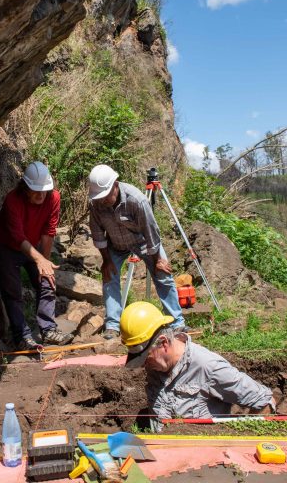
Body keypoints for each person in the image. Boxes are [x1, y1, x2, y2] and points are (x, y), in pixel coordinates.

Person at [121, 301, 276, 432]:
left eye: (146, 357)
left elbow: (264, 400)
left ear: (164, 343)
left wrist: (244, 440)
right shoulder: (157, 365)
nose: (143, 365)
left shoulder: (208, 367)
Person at [87, 164, 185, 339]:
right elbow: (98, 234)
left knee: (162, 274)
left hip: (143, 242)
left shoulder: (136, 200)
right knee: (109, 276)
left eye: (106, 195)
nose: (103, 200)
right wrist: (106, 261)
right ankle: (112, 325)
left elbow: (151, 232)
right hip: (115, 244)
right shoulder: (95, 204)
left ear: (115, 184)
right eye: (100, 197)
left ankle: (176, 323)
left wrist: (157, 261)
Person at [0, 162, 74, 350]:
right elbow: (17, 237)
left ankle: (48, 329)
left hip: (32, 243)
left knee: (46, 281)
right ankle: (22, 336)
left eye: (45, 190)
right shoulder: (13, 200)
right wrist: (39, 260)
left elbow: (48, 230)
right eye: (36, 190)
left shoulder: (53, 198)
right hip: (5, 245)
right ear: (25, 187)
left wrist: (44, 263)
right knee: (12, 291)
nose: (41, 195)